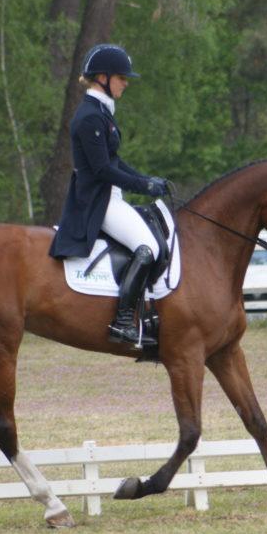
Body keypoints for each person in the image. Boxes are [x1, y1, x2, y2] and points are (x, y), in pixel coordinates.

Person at [48, 44, 170, 346]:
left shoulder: (102, 112)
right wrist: (143, 187)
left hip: (110, 196)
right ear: (102, 77)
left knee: (153, 241)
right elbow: (102, 170)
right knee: (148, 247)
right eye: (121, 77)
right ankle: (123, 321)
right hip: (97, 201)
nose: (126, 82)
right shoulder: (90, 117)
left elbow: (114, 161)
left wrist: (147, 179)